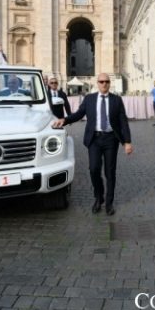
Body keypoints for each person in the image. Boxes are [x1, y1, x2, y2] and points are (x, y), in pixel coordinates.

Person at [52, 73, 133, 216]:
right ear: (97, 83)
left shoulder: (116, 100)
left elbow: (123, 121)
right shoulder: (89, 99)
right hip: (94, 139)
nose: (104, 84)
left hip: (110, 139)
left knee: (110, 172)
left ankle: (109, 203)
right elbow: (78, 114)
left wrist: (127, 142)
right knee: (94, 169)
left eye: (106, 81)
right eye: (101, 81)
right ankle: (99, 197)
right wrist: (64, 120)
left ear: (109, 83)